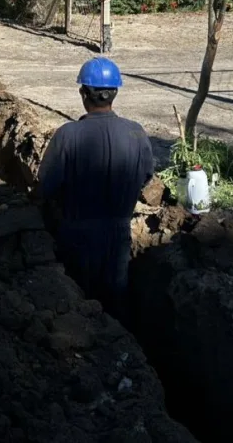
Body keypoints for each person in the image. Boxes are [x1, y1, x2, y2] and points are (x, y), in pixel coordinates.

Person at [36, 57, 154, 322]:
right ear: (114, 93)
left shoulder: (68, 135)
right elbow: (146, 176)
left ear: (84, 94)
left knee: (79, 302)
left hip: (76, 237)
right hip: (119, 236)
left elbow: (46, 185)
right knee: (116, 302)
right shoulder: (136, 133)